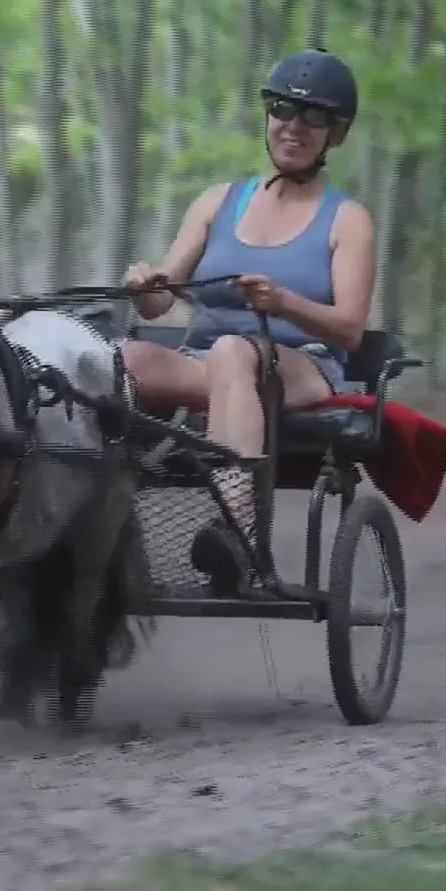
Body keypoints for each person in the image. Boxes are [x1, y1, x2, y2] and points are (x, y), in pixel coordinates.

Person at [120, 48, 379, 591]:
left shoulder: (347, 219)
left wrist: (284, 303)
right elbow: (161, 303)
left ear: (337, 133)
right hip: (211, 362)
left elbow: (350, 330)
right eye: (283, 110)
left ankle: (239, 530)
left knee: (233, 352)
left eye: (313, 117)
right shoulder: (219, 202)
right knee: (120, 360)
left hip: (303, 367)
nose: (294, 126)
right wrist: (145, 288)